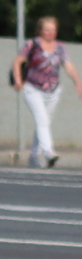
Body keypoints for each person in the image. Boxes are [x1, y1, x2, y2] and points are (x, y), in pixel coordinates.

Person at [11, 17, 82, 168]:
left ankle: (33, 156)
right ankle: (49, 152)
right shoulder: (32, 45)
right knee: (42, 120)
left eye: (53, 30)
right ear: (40, 30)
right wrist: (18, 80)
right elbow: (18, 62)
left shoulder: (60, 47)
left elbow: (68, 66)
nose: (51, 33)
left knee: (43, 123)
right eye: (47, 29)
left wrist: (78, 82)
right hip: (32, 88)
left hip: (53, 90)